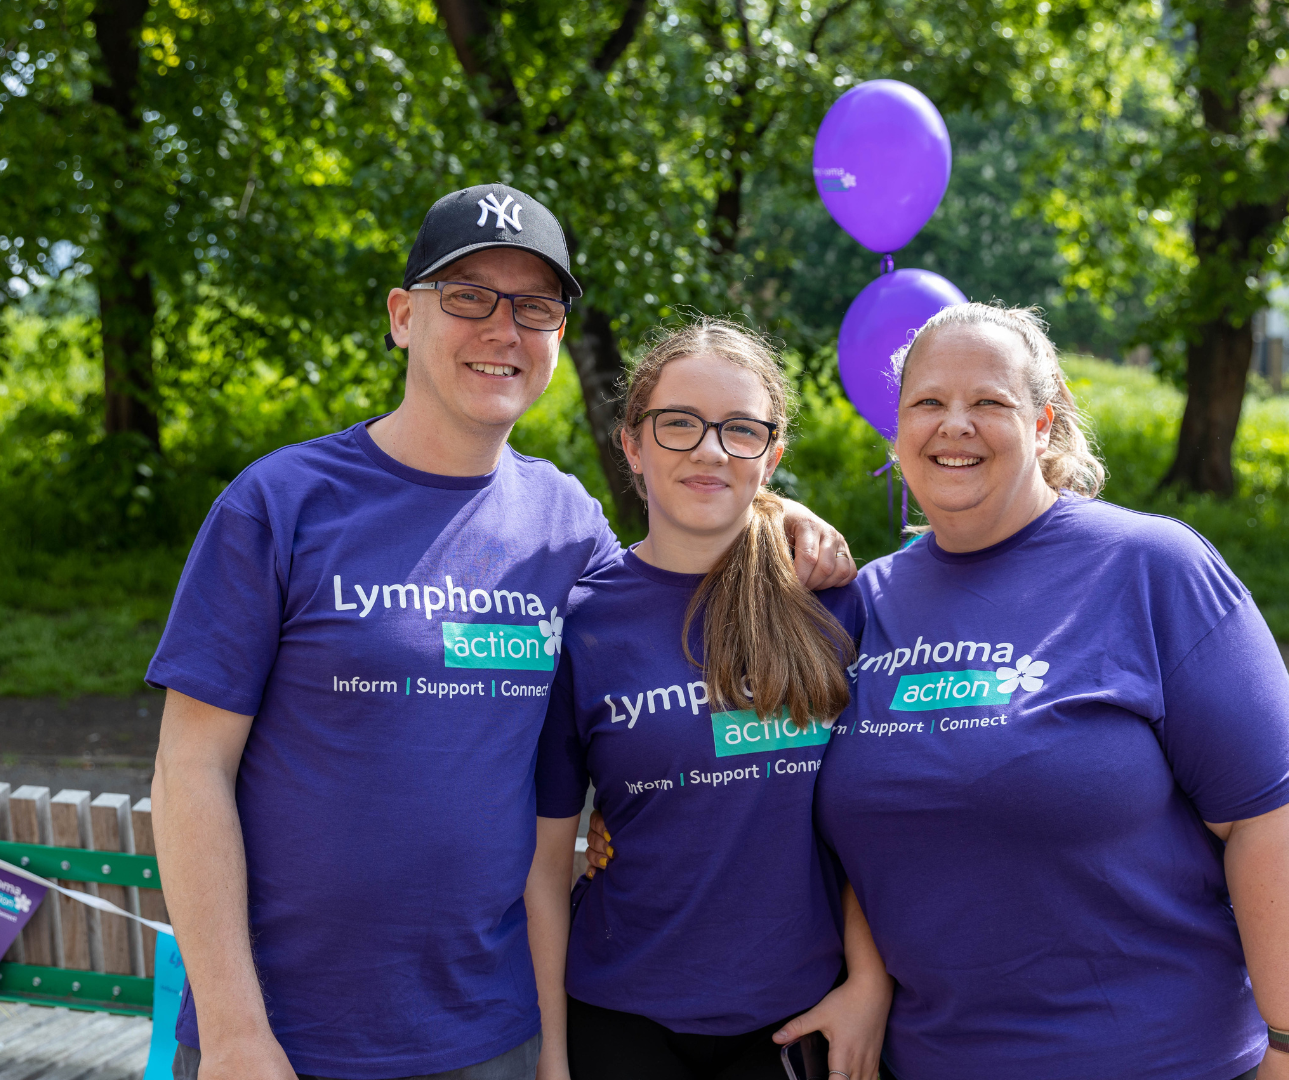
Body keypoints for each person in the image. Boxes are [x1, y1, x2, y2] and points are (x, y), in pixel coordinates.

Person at [147, 185, 855, 1080]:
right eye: (469, 296)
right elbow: (188, 771)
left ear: (558, 336)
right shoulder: (281, 504)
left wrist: (774, 512)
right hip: (289, 1041)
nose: (503, 329)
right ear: (404, 316)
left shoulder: (565, 522)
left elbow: (670, 569)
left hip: (498, 1032)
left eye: (534, 306)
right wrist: (235, 1030)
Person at [797, 302, 1289, 1079]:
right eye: (928, 403)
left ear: (1043, 424)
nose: (954, 424)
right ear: (897, 429)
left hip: (1161, 1062)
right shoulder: (863, 604)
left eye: (988, 402)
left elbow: (1272, 820)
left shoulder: (1149, 567)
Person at [524, 319, 893, 1080]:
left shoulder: (834, 608)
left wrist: (868, 981)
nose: (709, 449)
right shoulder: (583, 622)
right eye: (678, 424)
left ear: (772, 453)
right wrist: (553, 1056)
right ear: (631, 444)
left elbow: (872, 824)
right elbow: (544, 864)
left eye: (739, 430)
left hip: (795, 1014)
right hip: (618, 1013)